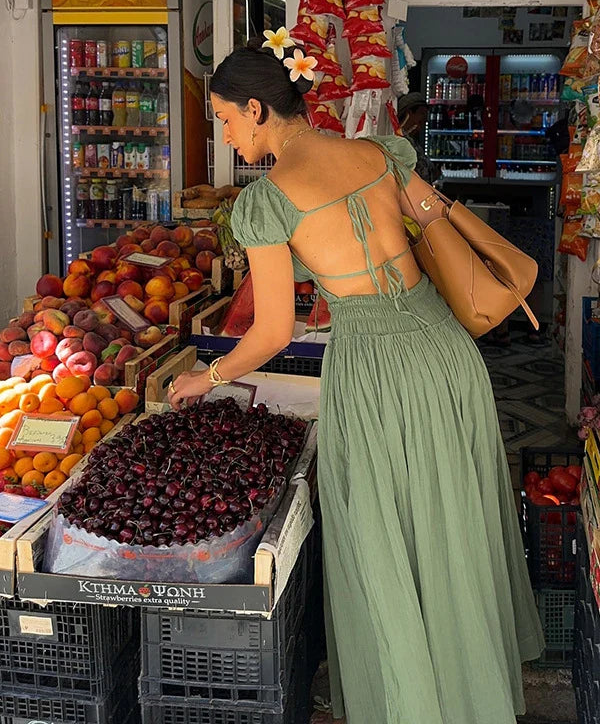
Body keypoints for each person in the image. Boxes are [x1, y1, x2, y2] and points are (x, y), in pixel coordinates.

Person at [167, 40, 544, 724]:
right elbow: (430, 223)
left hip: (374, 368)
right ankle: (474, 690)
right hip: (446, 351)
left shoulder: (267, 203)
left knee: (382, 534)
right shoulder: (377, 154)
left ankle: (412, 702)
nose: (225, 136)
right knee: (451, 521)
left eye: (224, 119)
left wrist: (209, 375)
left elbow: (272, 332)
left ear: (256, 110)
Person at [397, 90, 440, 184]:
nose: (425, 118)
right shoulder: (398, 140)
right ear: (409, 113)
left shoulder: (412, 139)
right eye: (422, 113)